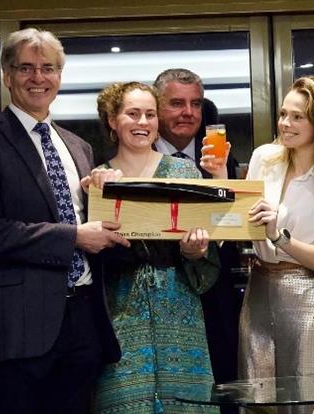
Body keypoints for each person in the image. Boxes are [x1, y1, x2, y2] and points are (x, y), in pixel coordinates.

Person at [0, 28, 129, 414]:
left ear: (60, 76)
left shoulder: (78, 146)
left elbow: (94, 227)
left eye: (48, 68)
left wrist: (110, 200)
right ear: (7, 74)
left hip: (84, 322)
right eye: (26, 68)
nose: (38, 78)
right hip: (16, 326)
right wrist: (74, 237)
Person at [87, 81, 220, 414]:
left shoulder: (184, 171)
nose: (143, 122)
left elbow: (208, 246)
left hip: (180, 308)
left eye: (150, 114)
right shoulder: (96, 177)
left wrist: (196, 252)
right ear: (112, 120)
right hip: (120, 310)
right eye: (132, 114)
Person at [240, 76, 314, 384]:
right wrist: (219, 178)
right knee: (258, 392)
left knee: (310, 394)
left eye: (297, 117)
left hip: (307, 294)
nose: (285, 123)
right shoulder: (263, 158)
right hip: (258, 287)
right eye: (283, 114)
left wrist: (279, 237)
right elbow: (242, 219)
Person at [153, 68, 240, 385]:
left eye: (196, 103)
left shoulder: (220, 158)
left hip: (215, 299)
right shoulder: (137, 159)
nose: (188, 113)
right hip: (159, 296)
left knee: (222, 387)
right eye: (176, 103)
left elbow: (232, 223)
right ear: (157, 107)